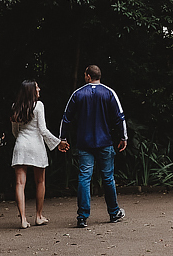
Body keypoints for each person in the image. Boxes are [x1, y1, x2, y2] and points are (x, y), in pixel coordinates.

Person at [58, 65, 127, 228]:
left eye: (84, 74)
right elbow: (120, 117)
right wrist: (124, 137)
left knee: (84, 178)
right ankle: (113, 212)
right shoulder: (109, 93)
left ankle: (82, 217)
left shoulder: (78, 94)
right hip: (104, 142)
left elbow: (66, 118)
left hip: (84, 143)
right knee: (108, 178)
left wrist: (63, 138)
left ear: (89, 76)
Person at [10, 79, 62, 229]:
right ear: (31, 91)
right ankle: (38, 216)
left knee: (20, 184)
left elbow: (15, 131)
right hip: (36, 146)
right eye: (37, 88)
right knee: (40, 181)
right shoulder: (38, 106)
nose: (39, 90)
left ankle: (23, 220)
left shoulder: (15, 107)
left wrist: (20, 139)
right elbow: (43, 130)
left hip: (21, 145)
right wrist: (58, 143)